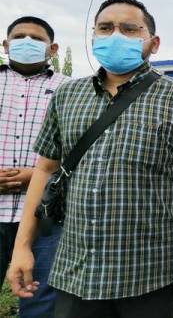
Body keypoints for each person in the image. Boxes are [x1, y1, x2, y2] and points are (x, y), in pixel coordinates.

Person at [8, 0, 173, 318]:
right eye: (105, 28)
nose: (116, 36)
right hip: (76, 266)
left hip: (151, 269)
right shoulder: (67, 95)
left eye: (129, 29)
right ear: (93, 35)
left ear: (154, 42)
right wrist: (22, 247)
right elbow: (45, 169)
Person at [1, 16, 68, 317]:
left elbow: (83, 146)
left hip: (46, 214)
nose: (27, 42)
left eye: (36, 38)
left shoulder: (70, 89)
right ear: (5, 44)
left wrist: (40, 175)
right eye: (19, 36)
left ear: (52, 48)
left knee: (40, 299)